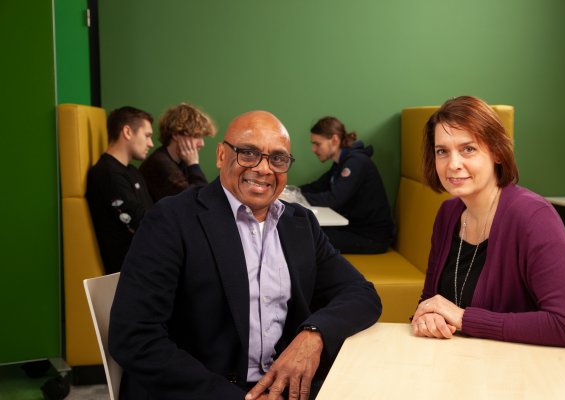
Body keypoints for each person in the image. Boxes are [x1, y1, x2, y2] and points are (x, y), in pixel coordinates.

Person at [109, 110, 382, 400]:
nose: (264, 168)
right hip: (205, 391)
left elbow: (362, 294)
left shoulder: (300, 224)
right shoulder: (171, 219)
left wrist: (314, 335)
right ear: (220, 156)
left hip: (283, 388)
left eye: (277, 158)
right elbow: (134, 336)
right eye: (248, 153)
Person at [411, 96, 565, 348]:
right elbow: (431, 300)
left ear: (496, 151)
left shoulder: (533, 217)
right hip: (460, 361)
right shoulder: (447, 214)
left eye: (468, 149)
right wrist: (428, 317)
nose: (453, 164)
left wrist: (463, 318)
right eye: (442, 151)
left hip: (523, 367)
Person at [299, 116, 394, 254]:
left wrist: (298, 199)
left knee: (307, 235)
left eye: (317, 144)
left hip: (372, 238)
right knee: (308, 230)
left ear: (334, 140)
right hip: (355, 230)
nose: (313, 149)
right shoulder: (340, 164)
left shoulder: (356, 163)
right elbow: (316, 187)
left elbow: (334, 199)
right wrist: (288, 191)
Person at [86, 106, 154, 274]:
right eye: (147, 136)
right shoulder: (106, 174)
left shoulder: (132, 171)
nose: (151, 143)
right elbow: (142, 223)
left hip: (147, 263)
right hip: (129, 272)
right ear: (128, 132)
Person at [140, 102, 217, 202]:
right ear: (176, 135)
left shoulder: (180, 161)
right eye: (196, 136)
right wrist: (193, 164)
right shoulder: (159, 163)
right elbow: (200, 201)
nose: (202, 144)